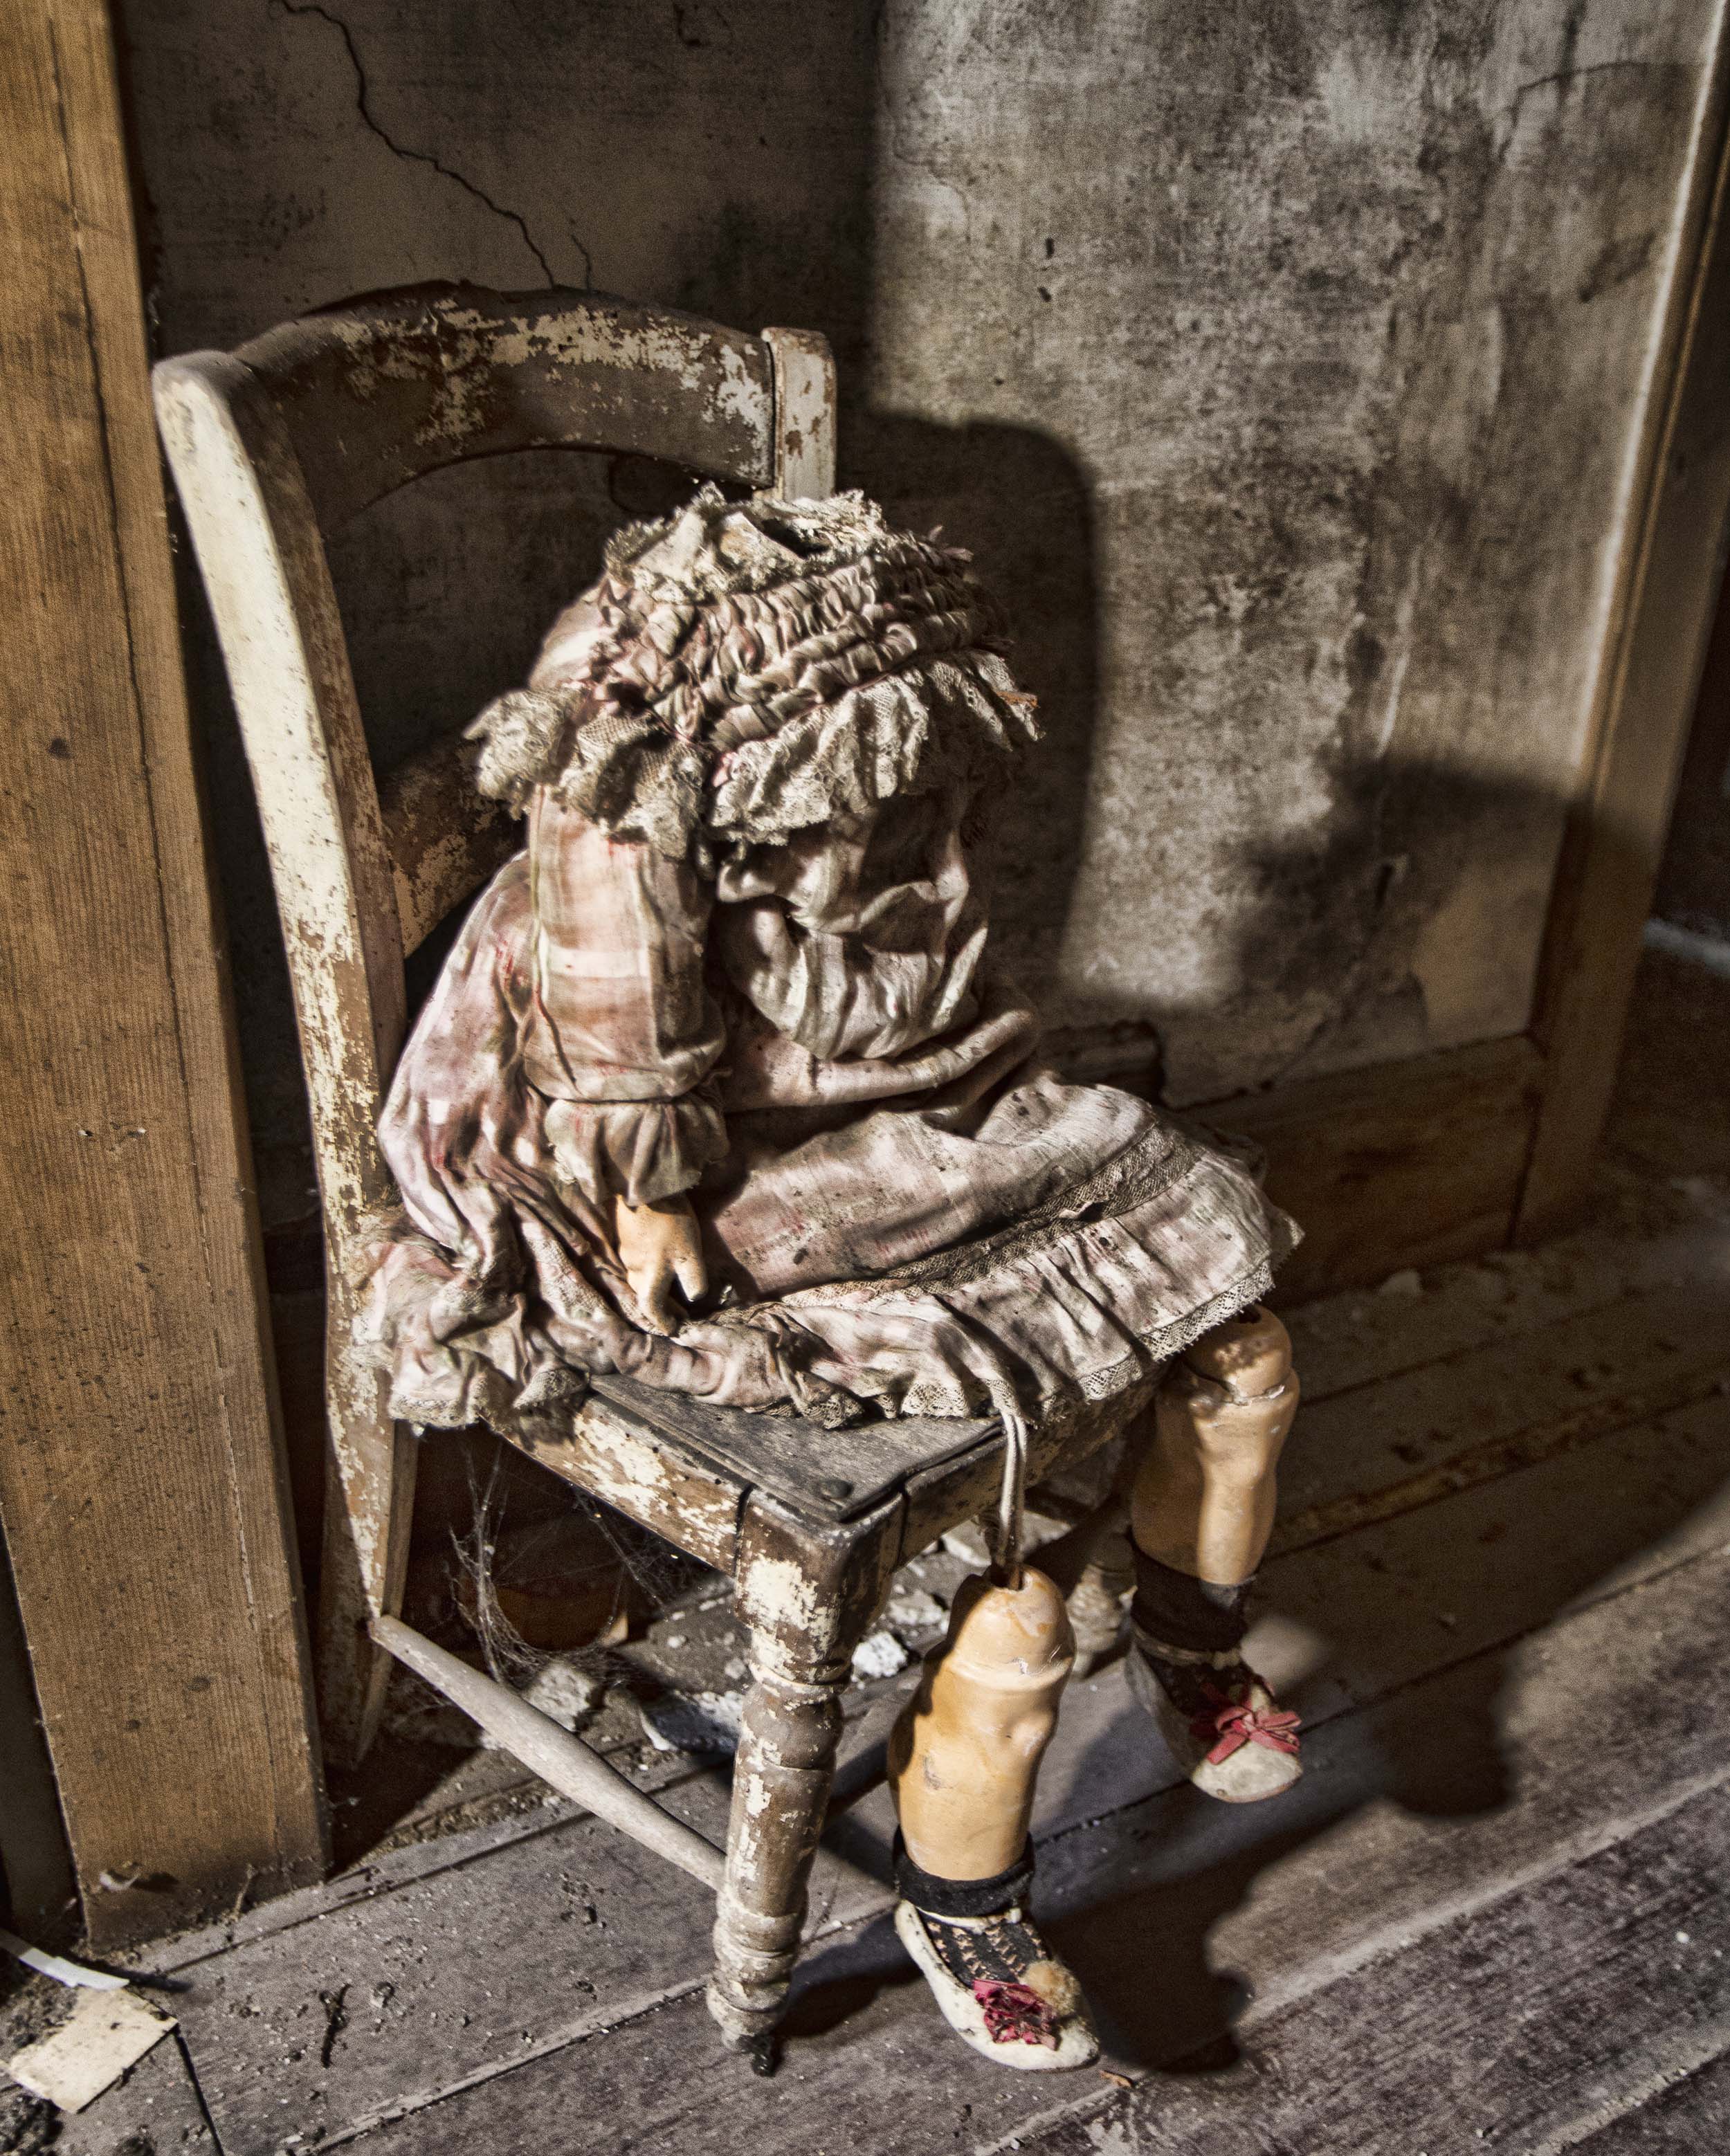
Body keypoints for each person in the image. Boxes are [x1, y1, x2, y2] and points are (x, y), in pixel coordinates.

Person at [361, 486, 1302, 2067]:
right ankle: (965, 1889)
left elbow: (935, 927)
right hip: (707, 1128)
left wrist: (940, 1031)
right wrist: (651, 1178)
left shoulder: (890, 638)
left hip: (892, 1079)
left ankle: (1187, 1636)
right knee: (1013, 1615)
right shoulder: (641, 714)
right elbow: (610, 943)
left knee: (1228, 1325)